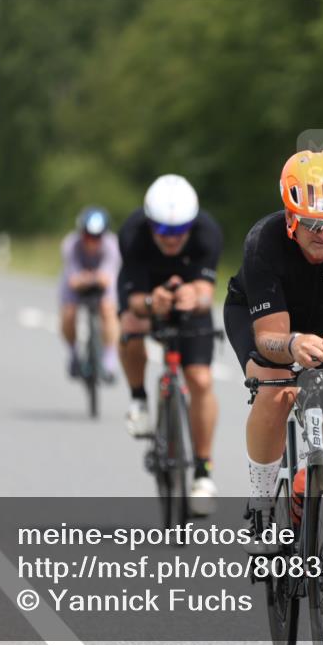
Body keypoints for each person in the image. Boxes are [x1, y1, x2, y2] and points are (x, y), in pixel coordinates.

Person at [223, 149, 323, 614]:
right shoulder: (265, 241)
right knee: (278, 394)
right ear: (292, 220)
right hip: (270, 323)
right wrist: (294, 344)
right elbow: (269, 337)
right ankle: (260, 506)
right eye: (312, 224)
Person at [118, 174, 223, 513]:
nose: (172, 239)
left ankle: (203, 471)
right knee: (130, 326)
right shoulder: (133, 234)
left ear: (192, 225)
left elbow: (208, 294)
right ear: (150, 224)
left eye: (179, 232)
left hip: (190, 298)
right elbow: (133, 300)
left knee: (200, 380)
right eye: (163, 231)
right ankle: (139, 399)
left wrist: (195, 297)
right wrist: (151, 303)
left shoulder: (208, 233)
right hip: (148, 292)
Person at [59, 206, 121, 382]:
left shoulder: (112, 245)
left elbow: (107, 277)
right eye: (88, 237)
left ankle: (109, 359)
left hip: (100, 285)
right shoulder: (70, 245)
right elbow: (73, 279)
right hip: (76, 286)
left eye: (97, 238)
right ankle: (73, 354)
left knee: (108, 309)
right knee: (69, 313)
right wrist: (86, 279)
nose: (92, 242)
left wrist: (90, 278)